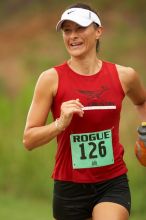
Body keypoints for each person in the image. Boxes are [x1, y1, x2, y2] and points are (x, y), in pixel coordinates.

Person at [23, 3, 146, 220]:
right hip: (69, 186)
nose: (73, 35)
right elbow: (29, 140)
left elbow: (142, 101)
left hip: (112, 181)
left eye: (80, 28)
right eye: (67, 30)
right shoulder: (50, 79)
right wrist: (59, 124)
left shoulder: (124, 75)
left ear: (99, 31)